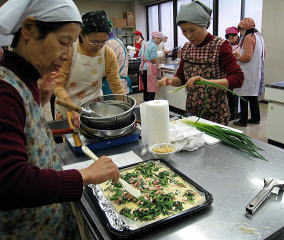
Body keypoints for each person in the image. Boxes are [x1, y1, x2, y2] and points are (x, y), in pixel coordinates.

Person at [0, 0, 119, 239]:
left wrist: (39, 99)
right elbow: (8, 182)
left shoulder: (22, 81)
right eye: (63, 43)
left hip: (46, 218)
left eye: (72, 45)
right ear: (30, 29)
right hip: (24, 230)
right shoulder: (4, 91)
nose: (66, 55)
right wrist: (86, 175)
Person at [158, 1, 244, 125]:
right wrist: (170, 81)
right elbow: (181, 78)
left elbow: (238, 78)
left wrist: (206, 82)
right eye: (184, 31)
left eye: (192, 30)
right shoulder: (187, 47)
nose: (188, 35)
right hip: (191, 111)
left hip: (216, 114)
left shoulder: (220, 46)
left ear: (204, 25)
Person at [54, 10, 124, 128]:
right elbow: (57, 85)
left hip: (95, 111)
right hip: (68, 108)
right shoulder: (69, 51)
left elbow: (116, 85)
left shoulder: (107, 54)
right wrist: (71, 107)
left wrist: (125, 107)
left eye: (103, 41)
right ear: (82, 34)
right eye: (94, 41)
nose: (98, 46)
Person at [233, 18, 265, 127]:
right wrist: (240, 56)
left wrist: (236, 58)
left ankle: (243, 121)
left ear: (245, 29)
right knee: (253, 95)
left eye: (241, 29)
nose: (240, 32)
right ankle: (256, 118)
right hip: (256, 71)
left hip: (247, 71)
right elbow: (262, 54)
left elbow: (247, 57)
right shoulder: (259, 37)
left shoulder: (248, 38)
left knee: (243, 96)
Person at [139, 31, 164, 101]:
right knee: (152, 89)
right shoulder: (153, 45)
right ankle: (150, 106)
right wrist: (157, 64)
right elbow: (153, 58)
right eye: (160, 39)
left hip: (142, 68)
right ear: (155, 38)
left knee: (146, 89)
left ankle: (146, 105)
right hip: (149, 69)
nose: (160, 41)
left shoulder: (145, 44)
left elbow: (140, 54)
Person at [225, 26, 241, 121]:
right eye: (229, 37)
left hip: (237, 72)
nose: (231, 39)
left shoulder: (241, 45)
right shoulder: (227, 45)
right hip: (228, 72)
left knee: (234, 94)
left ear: (236, 35)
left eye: (232, 37)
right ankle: (230, 113)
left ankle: (234, 114)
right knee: (228, 93)